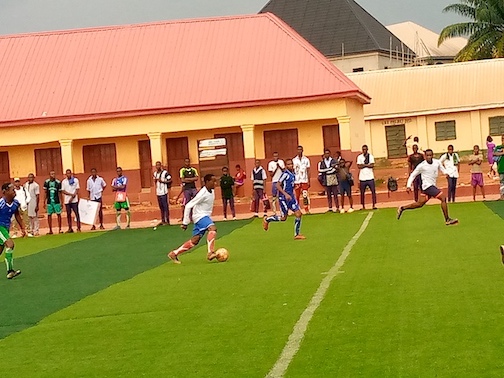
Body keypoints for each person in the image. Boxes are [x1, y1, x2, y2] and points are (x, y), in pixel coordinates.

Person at [397, 149, 458, 226]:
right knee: (443, 198)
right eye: (427, 155)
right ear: (425, 156)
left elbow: (442, 169)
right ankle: (447, 219)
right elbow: (413, 175)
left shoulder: (437, 162)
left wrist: (446, 173)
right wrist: (408, 186)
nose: (429, 157)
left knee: (419, 204)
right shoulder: (422, 166)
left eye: (430, 155)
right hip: (427, 186)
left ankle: (402, 208)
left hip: (431, 186)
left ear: (433, 155)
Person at [168, 174, 219, 264]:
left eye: (216, 181)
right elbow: (188, 205)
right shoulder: (202, 193)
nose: (215, 183)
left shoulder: (211, 190)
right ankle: (210, 253)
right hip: (200, 216)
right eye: (213, 181)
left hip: (204, 216)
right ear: (207, 182)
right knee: (213, 228)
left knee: (195, 240)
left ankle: (174, 253)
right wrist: (185, 222)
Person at [262, 158, 306, 240]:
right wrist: (285, 194)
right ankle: (267, 219)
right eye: (288, 164)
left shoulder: (293, 174)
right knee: (283, 218)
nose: (290, 165)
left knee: (299, 214)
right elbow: (277, 185)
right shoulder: (285, 174)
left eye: (291, 164)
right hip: (284, 198)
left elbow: (289, 185)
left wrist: (295, 186)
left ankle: (297, 234)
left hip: (291, 197)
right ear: (286, 166)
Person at [0, 183, 25, 279]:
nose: (14, 192)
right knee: (10, 244)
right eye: (12, 190)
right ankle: (10, 271)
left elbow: (17, 215)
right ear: (4, 192)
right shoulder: (1, 204)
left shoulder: (15, 203)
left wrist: (22, 228)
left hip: (5, 229)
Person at [357, 145, 377, 210]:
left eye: (365, 149)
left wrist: (364, 165)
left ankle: (374, 205)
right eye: (363, 149)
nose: (364, 151)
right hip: (362, 177)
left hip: (370, 176)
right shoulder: (359, 157)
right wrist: (367, 165)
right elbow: (359, 166)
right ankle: (363, 206)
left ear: (367, 149)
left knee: (373, 191)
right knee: (362, 192)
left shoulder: (371, 156)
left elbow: (372, 165)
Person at [293, 145, 311, 214]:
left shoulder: (306, 159)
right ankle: (297, 210)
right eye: (298, 149)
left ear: (302, 150)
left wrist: (309, 180)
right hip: (297, 180)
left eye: (300, 149)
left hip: (304, 180)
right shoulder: (294, 160)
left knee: (305, 195)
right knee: (296, 196)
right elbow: (293, 171)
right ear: (297, 151)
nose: (299, 151)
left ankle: (306, 209)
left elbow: (308, 170)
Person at [43, 170, 63, 235]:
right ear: (49, 175)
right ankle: (50, 230)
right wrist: (44, 202)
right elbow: (45, 193)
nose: (53, 175)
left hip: (56, 201)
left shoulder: (58, 182)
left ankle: (60, 229)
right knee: (49, 215)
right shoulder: (46, 182)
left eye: (54, 174)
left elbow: (60, 193)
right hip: (49, 202)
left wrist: (61, 202)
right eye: (51, 174)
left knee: (58, 214)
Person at [153, 161, 171, 225]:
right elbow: (155, 181)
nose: (158, 167)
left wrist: (162, 181)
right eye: (157, 165)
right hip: (158, 192)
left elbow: (170, 180)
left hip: (164, 192)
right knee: (161, 207)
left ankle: (168, 220)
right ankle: (163, 220)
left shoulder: (165, 173)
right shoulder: (155, 173)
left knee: (165, 206)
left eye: (159, 165)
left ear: (161, 166)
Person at [493, 135, 504, 200]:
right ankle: (502, 196)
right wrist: (502, 153)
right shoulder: (499, 147)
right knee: (502, 183)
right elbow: (494, 154)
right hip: (501, 168)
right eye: (502, 138)